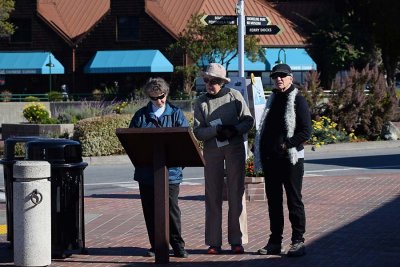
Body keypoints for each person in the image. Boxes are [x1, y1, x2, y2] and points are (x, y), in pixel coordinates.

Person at [193, 63, 254, 254]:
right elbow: (197, 132)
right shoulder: (201, 102)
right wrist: (215, 130)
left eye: (214, 81)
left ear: (222, 82)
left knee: (236, 193)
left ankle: (237, 240)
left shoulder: (234, 96)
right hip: (212, 151)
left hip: (234, 148)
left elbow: (248, 120)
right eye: (206, 80)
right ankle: (214, 242)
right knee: (212, 196)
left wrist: (234, 130)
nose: (209, 84)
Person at [254, 64, 312, 257]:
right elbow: (265, 128)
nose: (278, 79)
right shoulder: (272, 100)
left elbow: (306, 131)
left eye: (282, 76)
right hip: (271, 160)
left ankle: (298, 241)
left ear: (290, 78)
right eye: (275, 76)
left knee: (294, 201)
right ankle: (274, 242)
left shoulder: (298, 100)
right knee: (274, 203)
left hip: (291, 160)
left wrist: (287, 144)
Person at [129, 77, 189, 258]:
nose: (159, 101)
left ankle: (177, 245)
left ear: (166, 93)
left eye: (162, 96)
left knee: (172, 211)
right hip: (146, 173)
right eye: (154, 98)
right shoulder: (141, 115)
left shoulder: (177, 114)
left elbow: (185, 143)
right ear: (149, 97)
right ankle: (156, 245)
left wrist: (178, 165)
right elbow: (133, 143)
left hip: (170, 173)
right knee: (150, 210)